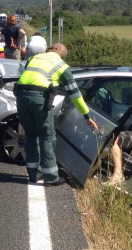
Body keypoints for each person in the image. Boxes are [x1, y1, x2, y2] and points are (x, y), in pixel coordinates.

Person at [16, 43, 98, 186]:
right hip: (39, 99)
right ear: (61, 54)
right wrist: (87, 116)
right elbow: (75, 94)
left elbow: (28, 75)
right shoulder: (62, 66)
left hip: (21, 97)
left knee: (30, 135)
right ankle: (51, 177)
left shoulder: (34, 58)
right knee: (47, 136)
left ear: (53, 49)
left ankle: (34, 174)